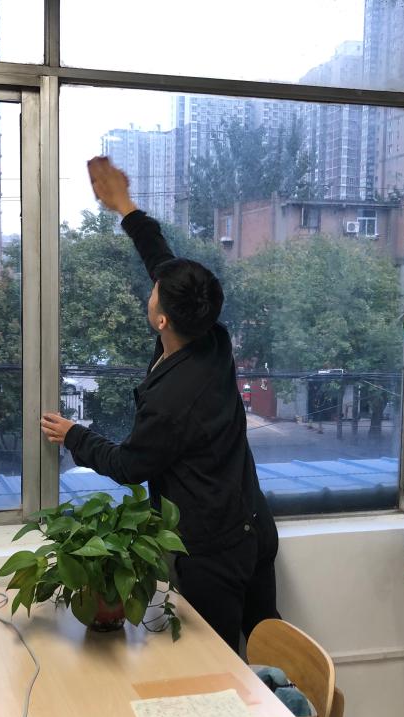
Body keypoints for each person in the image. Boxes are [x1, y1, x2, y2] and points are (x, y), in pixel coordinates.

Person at [41, 156, 279, 651]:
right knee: (268, 640)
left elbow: (131, 465)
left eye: (155, 291)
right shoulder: (212, 336)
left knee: (220, 663)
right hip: (252, 522)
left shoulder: (174, 400)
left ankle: (291, 701)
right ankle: (293, 698)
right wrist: (123, 205)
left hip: (216, 551)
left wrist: (74, 436)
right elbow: (161, 258)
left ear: (163, 319)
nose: (152, 287)